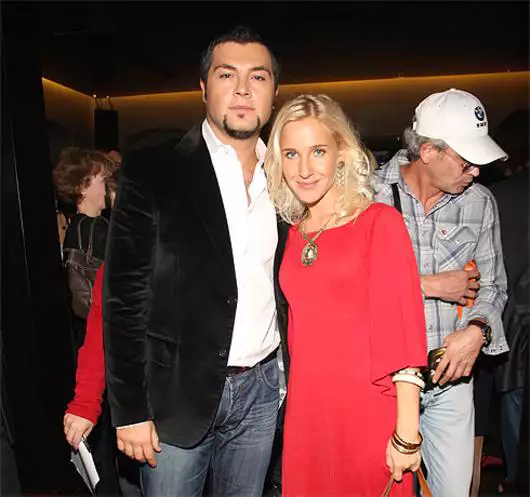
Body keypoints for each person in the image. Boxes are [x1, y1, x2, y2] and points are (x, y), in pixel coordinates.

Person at [103, 26, 285, 497]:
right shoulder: (152, 169)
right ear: (204, 88)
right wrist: (130, 409)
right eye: (227, 75)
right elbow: (123, 299)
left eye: (258, 77)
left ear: (274, 92)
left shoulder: (289, 175)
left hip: (262, 390)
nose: (242, 89)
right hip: (173, 396)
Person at [264, 93, 428, 496]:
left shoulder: (378, 223)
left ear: (341, 153)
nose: (304, 169)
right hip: (307, 414)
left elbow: (403, 331)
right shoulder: (292, 234)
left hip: (367, 411)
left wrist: (407, 433)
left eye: (318, 151)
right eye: (291, 154)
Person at [374, 88, 509, 496]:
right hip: (384, 383)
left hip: (450, 384)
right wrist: (427, 285)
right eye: (467, 161)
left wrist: (478, 331)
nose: (476, 172)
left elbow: (494, 286)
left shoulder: (479, 203)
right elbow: (346, 290)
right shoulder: (367, 196)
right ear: (428, 151)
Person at [490, 165, 529, 495]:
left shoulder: (500, 196)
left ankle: (516, 478)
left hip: (514, 317)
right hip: (514, 315)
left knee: (514, 400)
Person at [53, 147, 113, 351]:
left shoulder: (74, 227)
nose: (106, 187)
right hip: (105, 334)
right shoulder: (98, 229)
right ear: (82, 187)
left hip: (85, 335)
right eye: (102, 180)